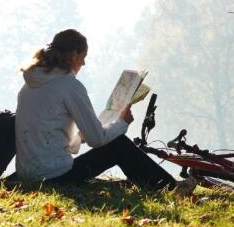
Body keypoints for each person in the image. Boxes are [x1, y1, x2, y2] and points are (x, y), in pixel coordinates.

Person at [14, 29, 193, 193]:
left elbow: (46, 135)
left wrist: (80, 137)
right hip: (54, 177)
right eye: (83, 57)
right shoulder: (69, 86)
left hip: (28, 174)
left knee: (113, 142)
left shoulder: (29, 86)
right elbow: (97, 140)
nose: (83, 63)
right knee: (119, 145)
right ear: (74, 54)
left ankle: (163, 186)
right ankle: (169, 189)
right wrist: (122, 122)